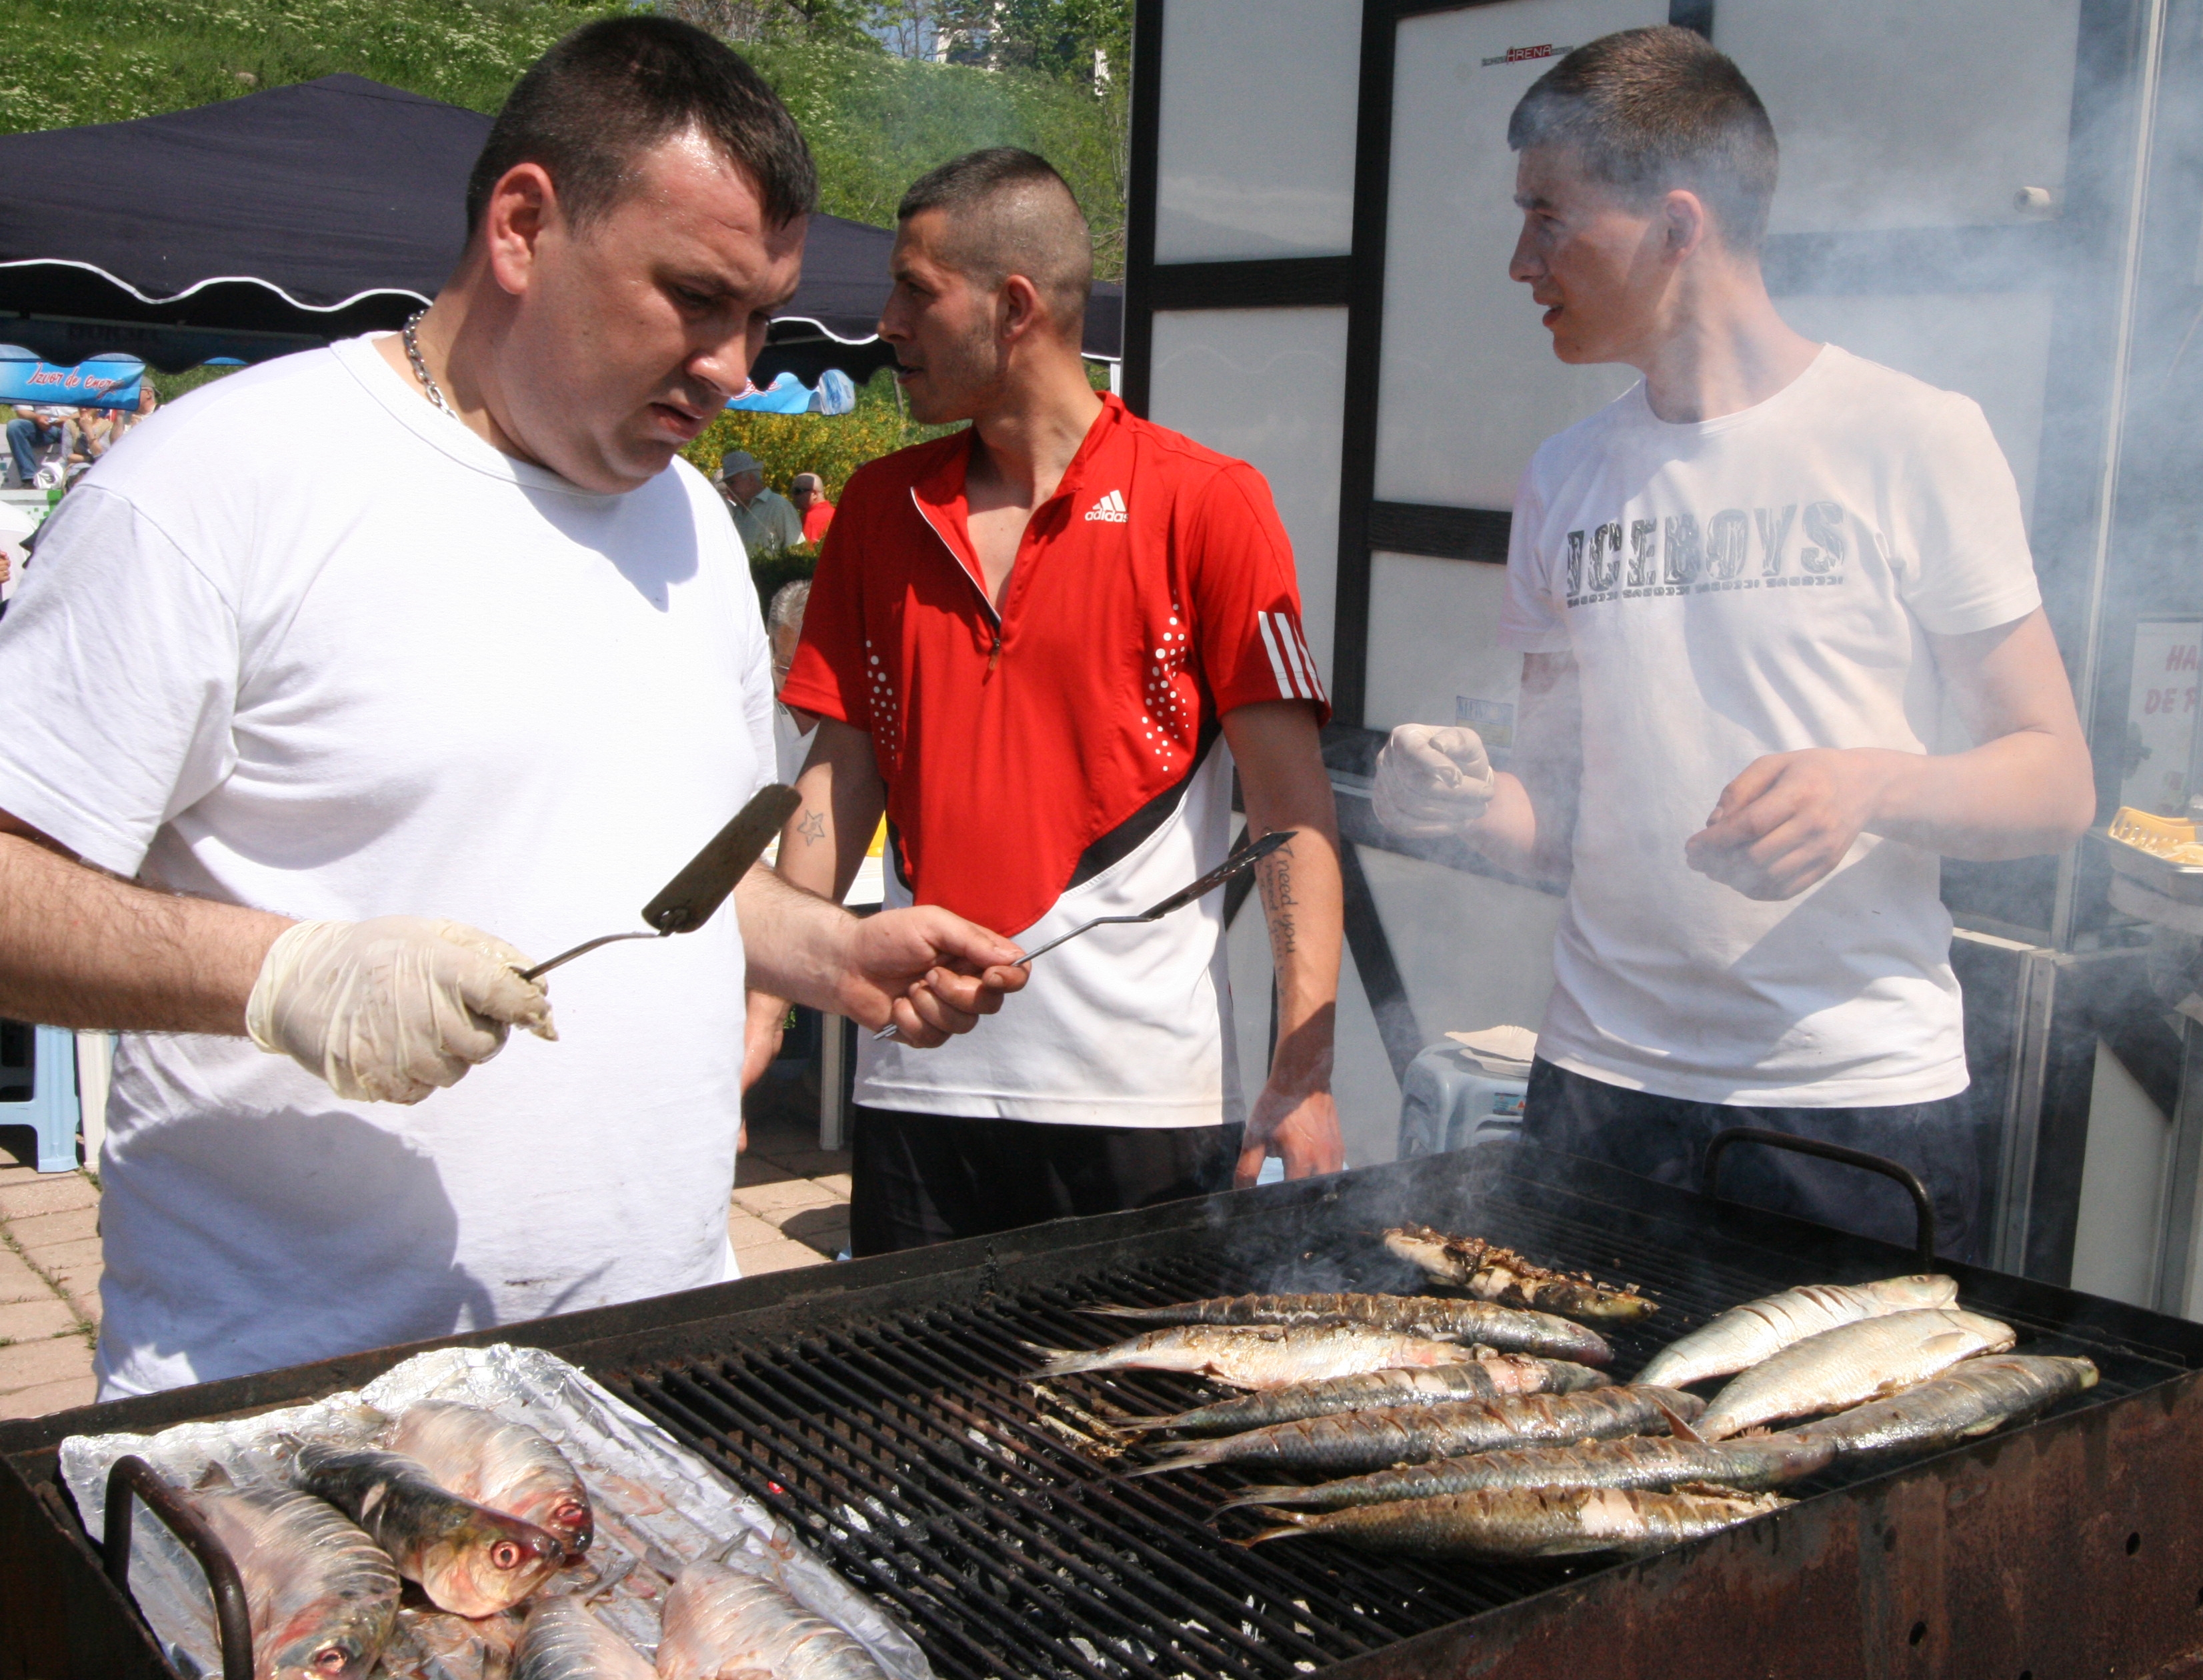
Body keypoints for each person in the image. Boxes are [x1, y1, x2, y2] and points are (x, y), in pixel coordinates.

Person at [0, 17, 1023, 1398]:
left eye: (762, 315)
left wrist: (830, 952)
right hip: (296, 1405)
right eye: (695, 297)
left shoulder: (692, 533)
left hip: (650, 1372)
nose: (737, 364)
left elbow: (676, 883)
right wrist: (289, 976)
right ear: (523, 225)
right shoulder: (215, 485)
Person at [1371, 27, 2094, 1262]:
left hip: (1847, 1106)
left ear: (1676, 221)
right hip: (1598, 1088)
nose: (1517, 261)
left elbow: (2054, 781)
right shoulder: (1564, 478)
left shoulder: (1910, 437)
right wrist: (1445, 807)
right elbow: (1554, 816)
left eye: (1547, 216)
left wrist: (1866, 783)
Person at [773, 148, 1346, 1255]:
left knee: (1134, 1431)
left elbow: (1289, 807)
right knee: (917, 1425)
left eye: (915, 290)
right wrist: (759, 1005)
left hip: (1140, 1104)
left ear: (1015, 305)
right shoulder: (879, 510)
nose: (884, 321)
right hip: (917, 1094)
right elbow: (838, 780)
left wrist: (1303, 1066)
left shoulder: (1207, 501)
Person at [766, 576, 817, 784]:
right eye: (786, 666)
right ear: (771, 646)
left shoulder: (855, 717)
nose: (796, 683)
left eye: (809, 670)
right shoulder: (753, 703)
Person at [717, 449, 805, 555]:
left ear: (750, 479)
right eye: (727, 484)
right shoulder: (737, 512)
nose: (728, 489)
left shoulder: (778, 505)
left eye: (732, 483)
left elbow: (796, 548)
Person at [5, 405, 65, 485]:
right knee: (15, 426)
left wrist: (70, 419)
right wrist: (37, 418)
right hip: (44, 427)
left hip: (76, 424)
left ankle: (81, 476)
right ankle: (29, 479)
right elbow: (22, 411)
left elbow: (87, 409)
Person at [790, 470, 833, 544]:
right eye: (792, 491)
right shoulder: (835, 513)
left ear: (814, 494)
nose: (793, 496)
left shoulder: (811, 519)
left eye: (797, 491)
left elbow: (807, 552)